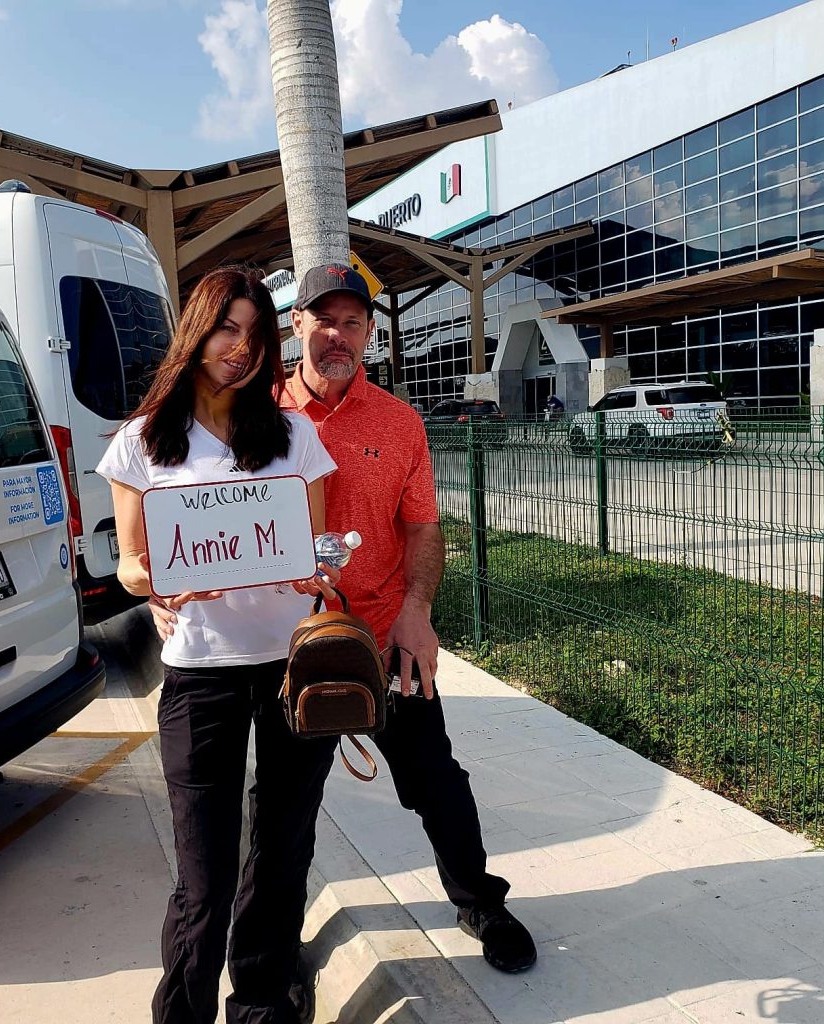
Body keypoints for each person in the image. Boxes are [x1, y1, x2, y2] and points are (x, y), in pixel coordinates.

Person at [152, 263, 537, 983]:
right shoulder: (250, 411)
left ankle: (481, 902)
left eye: (352, 322)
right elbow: (184, 506)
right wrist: (161, 580)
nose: (337, 335)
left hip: (384, 636)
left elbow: (422, 527)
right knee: (283, 816)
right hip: (285, 648)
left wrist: (418, 614)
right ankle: (266, 960)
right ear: (295, 326)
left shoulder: (398, 422)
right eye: (322, 320)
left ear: (368, 331)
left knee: (435, 779)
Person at [97, 266, 342, 1024]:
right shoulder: (142, 442)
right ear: (196, 332)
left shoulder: (294, 435)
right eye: (225, 329)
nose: (240, 348)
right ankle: (184, 1011)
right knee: (202, 879)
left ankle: (263, 1003)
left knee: (280, 852)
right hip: (200, 675)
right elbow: (130, 566)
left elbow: (320, 543)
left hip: (288, 668)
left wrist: (325, 569)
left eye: (255, 334)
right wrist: (157, 584)